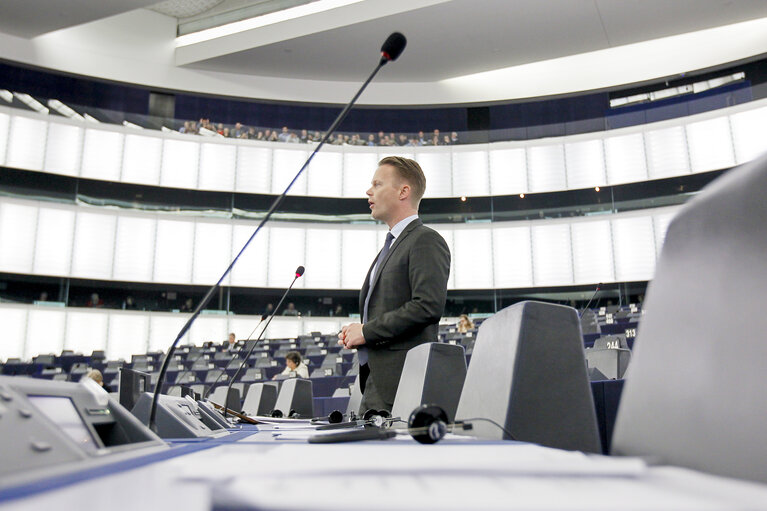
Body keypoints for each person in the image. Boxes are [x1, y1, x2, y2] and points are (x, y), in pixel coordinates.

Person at [338, 156, 450, 413]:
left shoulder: (425, 240)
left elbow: (427, 306)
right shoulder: (389, 248)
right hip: (376, 380)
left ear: (403, 191)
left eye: (377, 184)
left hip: (401, 381)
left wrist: (366, 331)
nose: (369, 191)